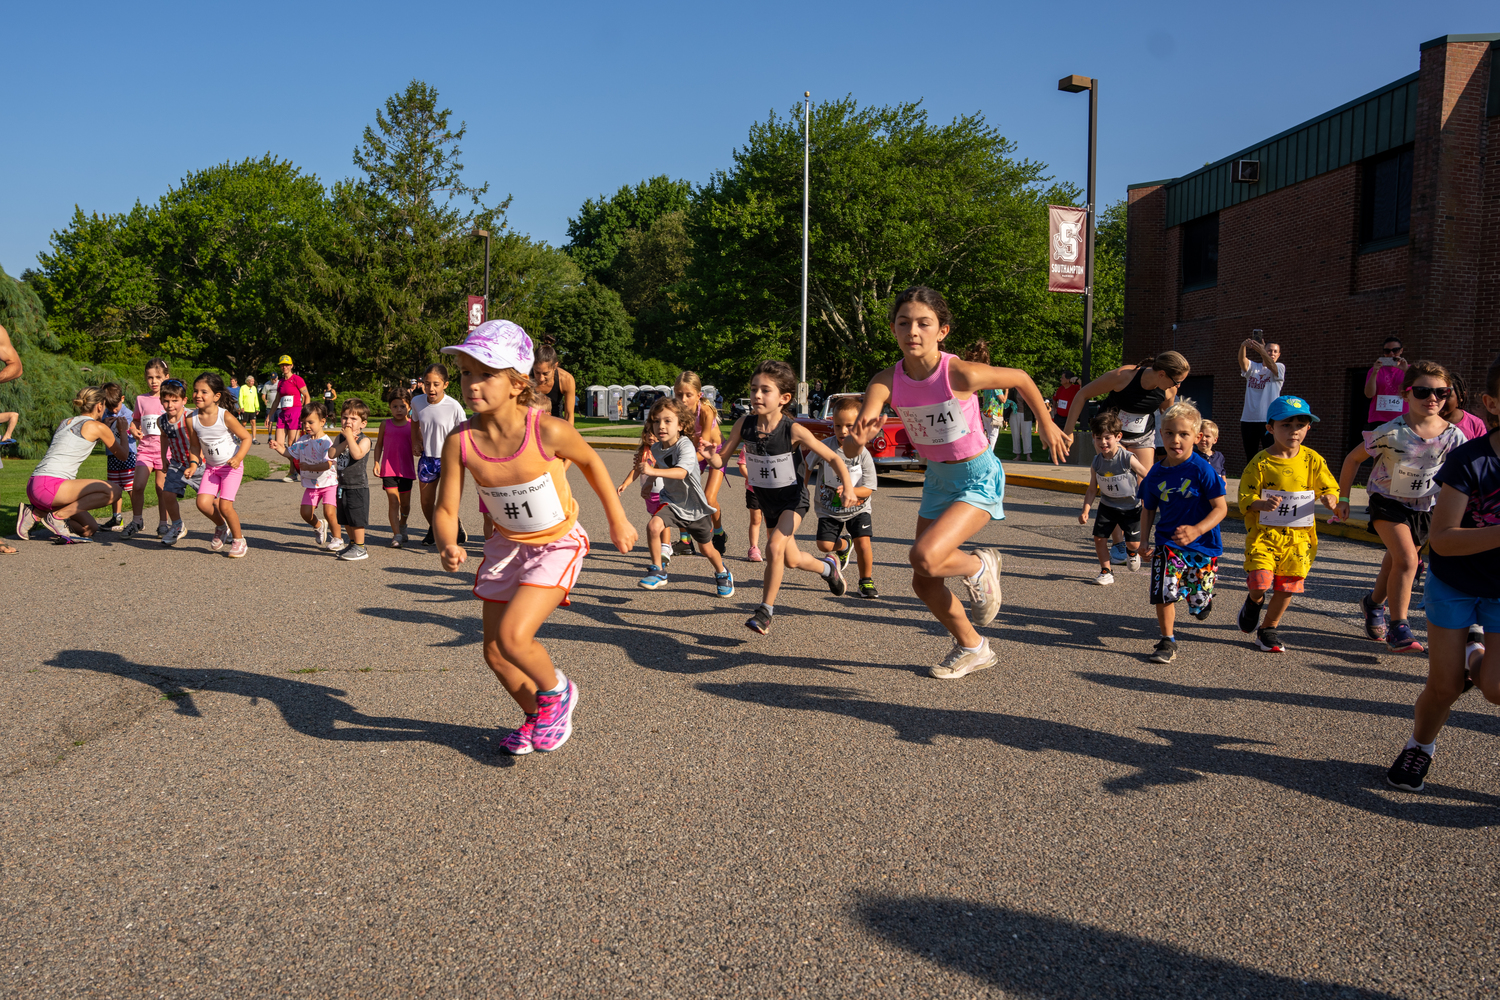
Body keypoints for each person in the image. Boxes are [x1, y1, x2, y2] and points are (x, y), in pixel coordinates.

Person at [432, 320, 638, 756]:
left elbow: (592, 464)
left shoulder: (547, 430)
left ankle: (557, 691)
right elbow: (446, 508)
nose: (472, 384)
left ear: (516, 382)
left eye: (486, 373)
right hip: (506, 548)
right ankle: (537, 716)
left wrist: (617, 519)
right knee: (494, 652)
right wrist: (447, 542)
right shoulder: (461, 441)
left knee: (513, 638)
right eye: (466, 373)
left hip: (557, 543)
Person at [843, 285, 1066, 678]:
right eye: (904, 323)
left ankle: (979, 565)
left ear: (941, 331)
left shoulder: (959, 372)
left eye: (923, 324)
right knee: (924, 582)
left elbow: (1021, 378)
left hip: (976, 475)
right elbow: (852, 444)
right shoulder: (885, 380)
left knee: (924, 557)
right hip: (938, 481)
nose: (913, 331)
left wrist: (1046, 424)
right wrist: (856, 439)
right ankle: (973, 646)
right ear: (894, 330)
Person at [1384, 355, 1500, 791]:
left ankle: (1475, 651)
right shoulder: (1470, 460)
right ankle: (1420, 745)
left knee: (1495, 688)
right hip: (1455, 584)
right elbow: (1445, 538)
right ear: (1492, 402)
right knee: (1445, 686)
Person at [708, 359, 856, 636]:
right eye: (753, 389)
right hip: (768, 503)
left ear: (784, 398)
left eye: (765, 390)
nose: (756, 396)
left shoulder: (793, 430)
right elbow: (720, 461)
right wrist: (709, 455)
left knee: (774, 548)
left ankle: (765, 611)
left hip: (793, 501)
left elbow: (833, 457)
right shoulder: (744, 424)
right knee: (791, 559)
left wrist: (847, 486)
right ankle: (828, 569)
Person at [1336, 360, 1469, 654]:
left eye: (1441, 392)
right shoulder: (1391, 431)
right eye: (1422, 391)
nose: (1432, 398)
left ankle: (1373, 603)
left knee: (1397, 561)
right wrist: (1344, 499)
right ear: (1405, 394)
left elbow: (1464, 476)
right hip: (1388, 503)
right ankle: (1399, 626)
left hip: (1426, 508)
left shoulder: (1454, 436)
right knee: (1408, 561)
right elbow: (1352, 459)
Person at [1236, 397, 1340, 652]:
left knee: (1287, 586)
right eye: (1286, 424)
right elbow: (1245, 496)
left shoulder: (1312, 459)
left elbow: (1329, 487)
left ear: (1308, 428)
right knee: (1261, 581)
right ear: (1270, 428)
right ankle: (1254, 601)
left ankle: (1268, 628)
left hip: (1299, 539)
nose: (1294, 430)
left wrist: (1330, 498)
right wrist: (1260, 504)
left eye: (1300, 424)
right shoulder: (1261, 461)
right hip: (1264, 535)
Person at [1139, 398, 1228, 663]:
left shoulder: (1203, 469)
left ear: (1197, 437)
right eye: (1169, 433)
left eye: (1183, 434)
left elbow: (1221, 508)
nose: (1175, 440)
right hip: (1168, 542)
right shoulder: (1155, 473)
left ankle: (1203, 600)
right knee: (1164, 589)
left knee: (1198, 601)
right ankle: (1167, 641)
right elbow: (1148, 509)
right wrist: (1143, 540)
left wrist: (1197, 530)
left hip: (1203, 545)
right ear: (1160, 435)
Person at [635, 398, 733, 596]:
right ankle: (658, 570)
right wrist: (647, 484)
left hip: (695, 507)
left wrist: (652, 474)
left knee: (707, 550)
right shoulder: (656, 448)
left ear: (680, 425)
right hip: (671, 502)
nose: (660, 426)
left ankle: (722, 573)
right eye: (655, 421)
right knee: (653, 526)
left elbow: (680, 472)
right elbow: (660, 468)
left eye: (667, 421)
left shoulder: (685, 445)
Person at [15, 386, 131, 543]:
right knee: (114, 491)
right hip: (51, 487)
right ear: (99, 405)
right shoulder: (98, 427)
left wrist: (104, 425)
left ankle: (35, 514)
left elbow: (80, 435)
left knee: (89, 528)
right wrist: (122, 431)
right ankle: (57, 517)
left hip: (36, 484)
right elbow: (123, 455)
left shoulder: (66, 422)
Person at [805, 395, 880, 598]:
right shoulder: (825, 446)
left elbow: (870, 488)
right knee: (824, 546)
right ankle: (845, 545)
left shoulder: (863, 453)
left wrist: (852, 491)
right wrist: (802, 487)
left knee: (864, 543)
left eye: (849, 426)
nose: (843, 431)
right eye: (838, 426)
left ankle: (866, 581)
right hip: (829, 509)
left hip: (858, 508)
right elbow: (807, 465)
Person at [1077, 410, 1149, 585]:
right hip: (1108, 506)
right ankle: (1106, 572)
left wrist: (1148, 496)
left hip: (1130, 507)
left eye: (1107, 437)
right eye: (1099, 438)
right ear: (1093, 438)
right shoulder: (1096, 462)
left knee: (1133, 544)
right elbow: (1092, 489)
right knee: (1099, 538)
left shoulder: (1127, 458)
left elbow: (1146, 475)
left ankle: (1131, 553)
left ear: (1118, 436)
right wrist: (1086, 510)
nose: (1103, 442)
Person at [185, 373, 252, 557]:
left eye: (204, 392)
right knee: (203, 503)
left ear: (216, 396)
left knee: (225, 506)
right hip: (211, 469)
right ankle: (222, 527)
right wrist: (192, 464)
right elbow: (194, 445)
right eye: (195, 391)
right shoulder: (191, 418)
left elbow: (247, 438)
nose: (198, 395)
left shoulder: (226, 416)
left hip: (231, 468)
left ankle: (239, 540)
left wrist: (238, 458)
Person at [271, 401, 341, 551]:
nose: (306, 426)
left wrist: (310, 467)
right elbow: (290, 453)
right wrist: (278, 447)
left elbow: (328, 465)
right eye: (304, 423)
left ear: (322, 422)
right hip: (311, 485)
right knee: (305, 513)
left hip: (328, 483)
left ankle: (337, 539)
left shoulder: (326, 442)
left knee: (329, 512)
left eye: (310, 422)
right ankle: (319, 525)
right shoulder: (302, 441)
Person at [412, 363, 468, 547]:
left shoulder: (454, 406)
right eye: (427, 384)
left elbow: (464, 432)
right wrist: (415, 440)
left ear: (445, 384)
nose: (431, 388)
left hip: (450, 460)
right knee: (426, 502)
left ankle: (448, 529)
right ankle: (435, 527)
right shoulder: (417, 402)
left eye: (436, 384)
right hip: (427, 459)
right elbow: (414, 422)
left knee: (446, 501)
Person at [675, 370, 728, 554]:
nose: (683, 399)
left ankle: (719, 533)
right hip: (693, 452)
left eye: (688, 395)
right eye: (679, 394)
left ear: (698, 395)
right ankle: (685, 541)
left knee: (708, 498)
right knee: (680, 492)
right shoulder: (676, 412)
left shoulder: (705, 412)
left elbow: (704, 448)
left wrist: (682, 464)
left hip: (714, 452)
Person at [122, 358, 171, 540]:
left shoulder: (169, 399)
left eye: (158, 377)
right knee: (138, 485)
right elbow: (135, 419)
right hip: (145, 450)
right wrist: (133, 429)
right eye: (150, 377)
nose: (154, 381)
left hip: (164, 451)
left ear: (167, 377)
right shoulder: (141, 399)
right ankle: (137, 521)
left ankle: (163, 524)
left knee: (161, 488)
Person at [154, 379, 199, 547]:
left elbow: (201, 438)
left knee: (210, 502)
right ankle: (178, 525)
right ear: (161, 401)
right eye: (166, 400)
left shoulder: (191, 417)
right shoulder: (161, 421)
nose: (170, 405)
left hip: (199, 464)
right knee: (167, 493)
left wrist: (197, 460)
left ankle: (223, 527)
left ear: (184, 401)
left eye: (175, 400)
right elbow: (164, 436)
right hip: (177, 463)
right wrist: (163, 457)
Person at [328, 398, 372, 562]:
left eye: (353, 419)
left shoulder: (365, 440)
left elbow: (357, 454)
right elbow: (331, 454)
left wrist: (351, 439)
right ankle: (352, 543)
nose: (348, 422)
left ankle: (360, 547)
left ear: (363, 423)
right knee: (345, 517)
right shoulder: (341, 438)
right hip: (342, 485)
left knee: (356, 518)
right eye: (345, 417)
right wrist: (346, 439)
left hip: (357, 486)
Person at [373, 389, 416, 547]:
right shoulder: (385, 424)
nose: (399, 410)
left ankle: (403, 525)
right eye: (395, 406)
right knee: (394, 502)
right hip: (388, 470)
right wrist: (376, 462)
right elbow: (378, 445)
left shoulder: (413, 425)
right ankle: (396, 534)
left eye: (402, 406)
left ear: (409, 407)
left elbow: (418, 444)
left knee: (405, 505)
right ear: (390, 408)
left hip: (407, 471)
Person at [1237, 336, 1285, 464]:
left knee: (1270, 455)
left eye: (1275, 351)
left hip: (1269, 420)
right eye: (1269, 350)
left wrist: (1262, 351)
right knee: (1250, 456)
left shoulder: (1280, 367)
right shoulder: (1254, 367)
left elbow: (1272, 367)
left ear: (1279, 355)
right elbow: (1242, 361)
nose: (1272, 353)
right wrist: (1243, 346)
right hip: (1248, 419)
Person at [98, 384, 135, 531]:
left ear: (122, 399)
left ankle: (137, 517)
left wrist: (127, 428)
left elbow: (135, 431)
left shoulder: (129, 414)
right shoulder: (105, 415)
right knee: (115, 487)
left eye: (116, 406)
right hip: (112, 455)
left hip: (128, 455)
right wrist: (103, 425)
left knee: (131, 487)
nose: (113, 410)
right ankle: (116, 517)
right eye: (110, 407)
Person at [963, 342, 1006, 454]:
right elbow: (1003, 400)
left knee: (985, 432)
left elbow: (982, 399)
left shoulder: (986, 385)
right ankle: (990, 453)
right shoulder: (996, 385)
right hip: (994, 412)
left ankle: (984, 451)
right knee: (993, 434)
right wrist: (1007, 390)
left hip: (986, 411)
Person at [271, 355, 310, 478]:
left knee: (292, 443)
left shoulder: (297, 379)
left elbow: (306, 396)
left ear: (291, 366)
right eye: (282, 365)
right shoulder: (280, 382)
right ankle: (299, 465)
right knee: (278, 444)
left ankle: (292, 472)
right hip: (282, 414)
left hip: (296, 413)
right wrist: (269, 416)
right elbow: (277, 400)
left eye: (287, 365)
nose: (284, 367)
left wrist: (305, 414)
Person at [1363, 337, 1409, 430]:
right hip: (1379, 417)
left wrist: (1406, 371)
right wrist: (1375, 372)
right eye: (1387, 351)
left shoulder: (1409, 370)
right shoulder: (1375, 370)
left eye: (1395, 350)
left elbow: (1414, 391)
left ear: (1401, 351)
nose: (1391, 354)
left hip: (1403, 417)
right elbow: (1369, 394)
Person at [532, 340, 576, 425]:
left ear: (555, 366)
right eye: (537, 372)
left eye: (545, 373)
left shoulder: (566, 379)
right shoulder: (525, 377)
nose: (541, 378)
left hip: (556, 423)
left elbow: (569, 415)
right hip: (530, 423)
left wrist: (569, 436)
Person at [1442, 372, 1488, 442]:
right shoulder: (1424, 421)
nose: (1439, 400)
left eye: (1445, 396)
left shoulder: (1475, 424)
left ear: (1460, 396)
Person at [738, 448, 764, 562]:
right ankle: (754, 548)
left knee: (772, 521)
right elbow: (742, 465)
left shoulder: (775, 443)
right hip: (754, 489)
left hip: (772, 490)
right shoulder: (748, 446)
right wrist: (752, 479)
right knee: (756, 519)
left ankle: (774, 548)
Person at [1008, 390, 1035, 461]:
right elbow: (1008, 399)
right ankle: (1017, 454)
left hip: (1026, 414)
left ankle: (1028, 455)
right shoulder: (1013, 389)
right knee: (1015, 434)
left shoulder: (1028, 388)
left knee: (1026, 434)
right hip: (1014, 413)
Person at [239, 375, 261, 444]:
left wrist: (257, 408)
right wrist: (241, 406)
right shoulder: (243, 387)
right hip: (245, 409)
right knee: (244, 424)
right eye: (251, 381)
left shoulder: (254, 388)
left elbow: (256, 399)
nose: (252, 382)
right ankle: (240, 437)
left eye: (253, 381)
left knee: (253, 423)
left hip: (252, 409)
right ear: (247, 381)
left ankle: (254, 438)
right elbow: (240, 398)